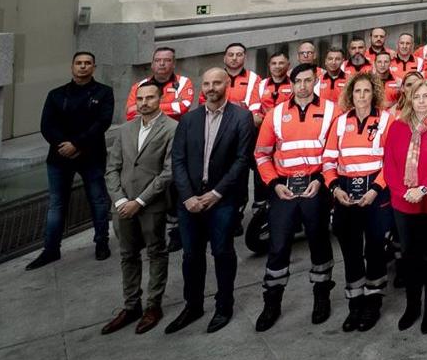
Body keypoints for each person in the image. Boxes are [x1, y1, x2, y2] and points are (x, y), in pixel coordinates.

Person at [167, 67, 257, 334]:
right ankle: (193, 305)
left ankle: (223, 306)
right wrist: (187, 197)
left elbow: (242, 160)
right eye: (206, 83)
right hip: (191, 200)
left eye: (216, 83)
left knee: (222, 252)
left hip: (223, 199)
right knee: (191, 255)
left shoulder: (242, 118)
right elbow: (178, 161)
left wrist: (216, 193)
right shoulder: (189, 120)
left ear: (226, 85)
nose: (211, 88)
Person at [252, 63, 338, 331]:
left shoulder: (332, 111)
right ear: (291, 83)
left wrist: (322, 180)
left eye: (308, 80)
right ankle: (272, 303)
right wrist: (274, 184)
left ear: (316, 81)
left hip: (316, 186)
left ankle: (321, 296)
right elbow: (262, 154)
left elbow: (336, 152)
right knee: (278, 246)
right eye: (298, 81)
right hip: (284, 189)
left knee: (319, 242)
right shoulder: (275, 115)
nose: (303, 86)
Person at [381, 75, 427, 333]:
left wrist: (423, 189)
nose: (422, 101)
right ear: (410, 100)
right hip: (404, 203)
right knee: (410, 257)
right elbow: (389, 164)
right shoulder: (398, 126)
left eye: (426, 96)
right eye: (417, 96)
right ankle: (412, 306)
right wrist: (404, 192)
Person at [101, 78, 175, 334]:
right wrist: (121, 200)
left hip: (151, 205)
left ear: (160, 99)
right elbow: (112, 168)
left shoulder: (172, 128)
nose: (144, 103)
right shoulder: (125, 129)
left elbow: (168, 172)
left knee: (156, 252)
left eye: (149, 98)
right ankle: (131, 305)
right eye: (140, 99)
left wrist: (140, 201)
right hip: (122, 207)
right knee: (127, 255)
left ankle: (153, 306)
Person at [29, 51, 115, 270]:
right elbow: (47, 125)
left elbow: (102, 123)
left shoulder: (104, 93)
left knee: (98, 200)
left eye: (87, 63)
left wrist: (77, 144)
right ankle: (51, 250)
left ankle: (101, 242)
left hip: (91, 156)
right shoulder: (56, 95)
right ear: (72, 67)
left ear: (94, 67)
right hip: (59, 158)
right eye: (79, 63)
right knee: (56, 205)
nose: (83, 67)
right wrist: (64, 145)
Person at [322, 72, 392, 332]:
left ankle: (373, 303)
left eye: (366, 91)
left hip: (376, 190)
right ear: (350, 95)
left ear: (374, 93)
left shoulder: (386, 119)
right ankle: (355, 303)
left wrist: (375, 189)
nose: (362, 96)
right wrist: (334, 188)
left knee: (375, 247)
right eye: (357, 91)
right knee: (350, 251)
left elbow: (391, 162)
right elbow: (328, 161)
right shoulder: (340, 122)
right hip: (345, 190)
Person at [126, 46, 195, 121]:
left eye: (167, 60)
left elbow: (183, 106)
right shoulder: (139, 85)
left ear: (174, 64)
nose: (162, 63)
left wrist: (145, 108)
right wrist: (172, 105)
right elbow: (130, 112)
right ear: (152, 64)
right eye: (157, 60)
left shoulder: (184, 82)